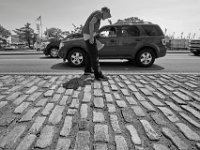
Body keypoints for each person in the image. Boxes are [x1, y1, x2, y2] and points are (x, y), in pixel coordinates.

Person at [82, 7, 111, 81]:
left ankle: (87, 70)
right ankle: (98, 75)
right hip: (89, 35)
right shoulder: (99, 13)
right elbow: (91, 23)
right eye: (107, 15)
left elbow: (94, 26)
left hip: (88, 35)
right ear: (104, 12)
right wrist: (91, 37)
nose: (106, 17)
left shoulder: (98, 14)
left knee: (90, 54)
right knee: (94, 56)